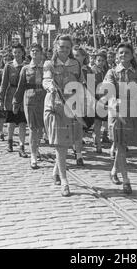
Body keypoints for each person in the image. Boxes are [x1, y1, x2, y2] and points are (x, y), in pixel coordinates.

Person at [43, 35, 84, 197]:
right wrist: (50, 87)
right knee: (61, 144)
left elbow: (80, 83)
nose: (65, 50)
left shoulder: (76, 64)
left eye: (67, 47)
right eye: (62, 47)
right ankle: (65, 181)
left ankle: (56, 171)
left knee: (66, 142)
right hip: (55, 107)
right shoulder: (49, 64)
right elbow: (46, 80)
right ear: (56, 47)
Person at [102, 42, 137, 194]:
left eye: (126, 52)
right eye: (120, 53)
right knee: (120, 145)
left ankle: (114, 170)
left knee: (123, 145)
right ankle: (126, 180)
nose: (123, 55)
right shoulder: (112, 72)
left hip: (132, 113)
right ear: (116, 56)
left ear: (132, 55)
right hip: (117, 113)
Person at [13, 44, 48, 169]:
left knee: (40, 128)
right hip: (30, 98)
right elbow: (20, 86)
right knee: (33, 128)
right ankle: (33, 155)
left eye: (37, 51)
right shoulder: (26, 68)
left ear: (41, 53)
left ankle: (36, 147)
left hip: (43, 98)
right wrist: (16, 102)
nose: (34, 52)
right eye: (32, 51)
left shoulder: (46, 68)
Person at [0, 43, 28, 158]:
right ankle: (10, 141)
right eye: (15, 52)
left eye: (19, 52)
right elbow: (4, 84)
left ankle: (21, 146)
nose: (17, 55)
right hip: (11, 95)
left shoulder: (27, 66)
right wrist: (1, 99)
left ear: (23, 53)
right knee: (11, 121)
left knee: (22, 122)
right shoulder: (8, 66)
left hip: (23, 95)